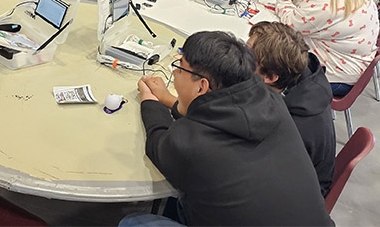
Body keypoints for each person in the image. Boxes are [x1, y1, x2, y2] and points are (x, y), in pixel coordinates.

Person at [123, 31, 333, 226]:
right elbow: (214, 115)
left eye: (180, 68)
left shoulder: (191, 142)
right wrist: (171, 101)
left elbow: (158, 141)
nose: (176, 73)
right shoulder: (272, 103)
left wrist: (149, 100)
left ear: (202, 86)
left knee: (133, 223)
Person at [271, 0, 379, 97]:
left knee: (272, 56)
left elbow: (291, 23)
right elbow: (323, 13)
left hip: (334, 77)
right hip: (354, 69)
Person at [247, 21, 335, 197]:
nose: (240, 58)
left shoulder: (290, 124)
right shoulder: (300, 81)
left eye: (248, 57)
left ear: (271, 77)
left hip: (286, 197)